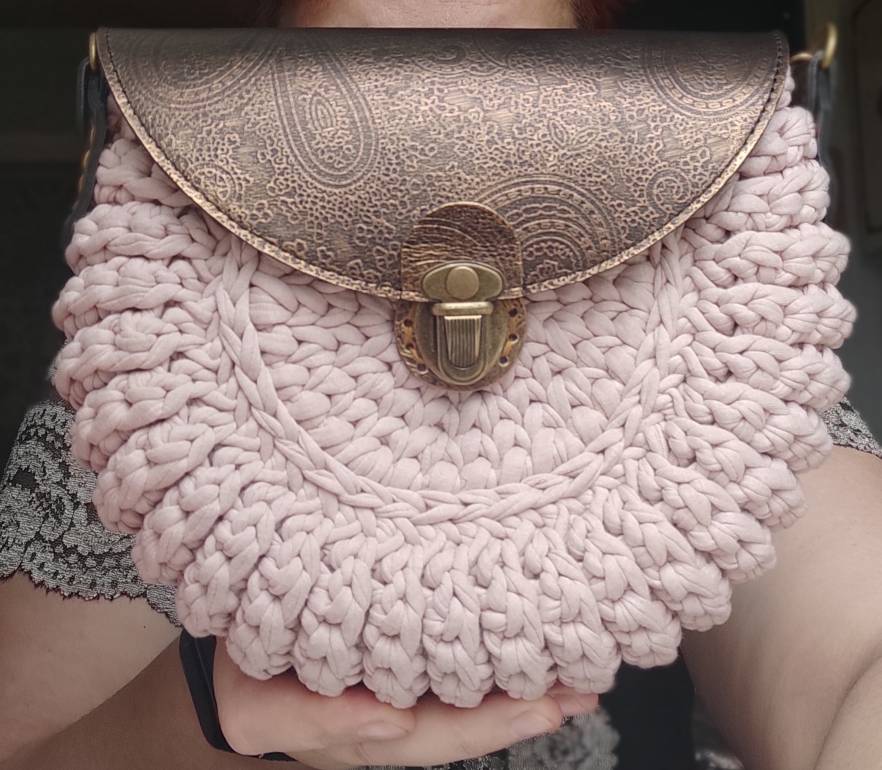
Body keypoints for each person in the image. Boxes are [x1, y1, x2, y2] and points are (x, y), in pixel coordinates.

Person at [2, 1, 882, 769]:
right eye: (363, 69)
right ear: (251, 85)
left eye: (514, 69)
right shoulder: (137, 416)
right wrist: (207, 712)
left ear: (618, 83)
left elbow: (857, 659)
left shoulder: (728, 376)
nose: (439, 126)